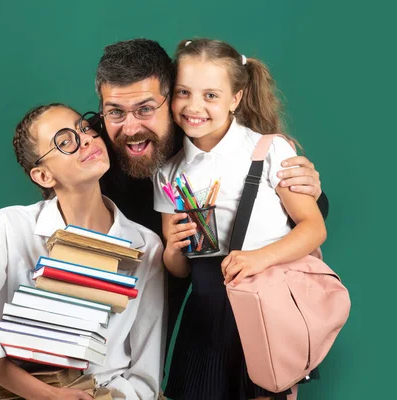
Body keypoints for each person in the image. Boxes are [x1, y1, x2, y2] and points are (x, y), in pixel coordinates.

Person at [95, 38, 328, 360]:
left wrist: (311, 190)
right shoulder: (125, 159)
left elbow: (307, 221)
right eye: (116, 112)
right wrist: (174, 248)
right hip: (180, 304)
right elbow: (177, 264)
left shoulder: (248, 144)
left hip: (254, 299)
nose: (132, 126)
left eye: (146, 109)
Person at [0, 104, 165, 400]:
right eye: (65, 142)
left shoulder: (146, 247)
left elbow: (146, 375)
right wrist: (45, 395)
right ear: (43, 176)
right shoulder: (9, 228)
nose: (86, 140)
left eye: (84, 128)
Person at [153, 38, 327, 400]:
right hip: (203, 314)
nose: (194, 106)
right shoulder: (168, 173)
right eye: (183, 92)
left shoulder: (268, 150)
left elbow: (314, 228)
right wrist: (172, 251)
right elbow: (180, 268)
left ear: (236, 99)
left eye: (211, 95)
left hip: (264, 307)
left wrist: (257, 258)